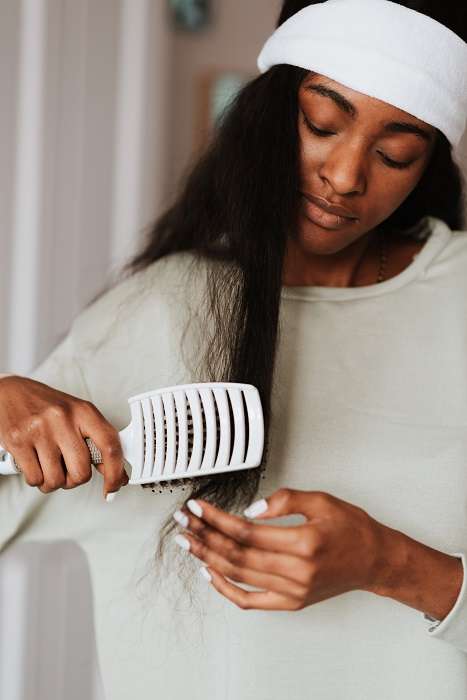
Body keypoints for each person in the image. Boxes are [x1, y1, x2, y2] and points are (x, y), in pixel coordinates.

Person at [1, 0, 467, 697]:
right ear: (267, 114)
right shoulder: (157, 309)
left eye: (395, 151)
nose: (345, 176)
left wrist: (390, 564)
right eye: (321, 124)